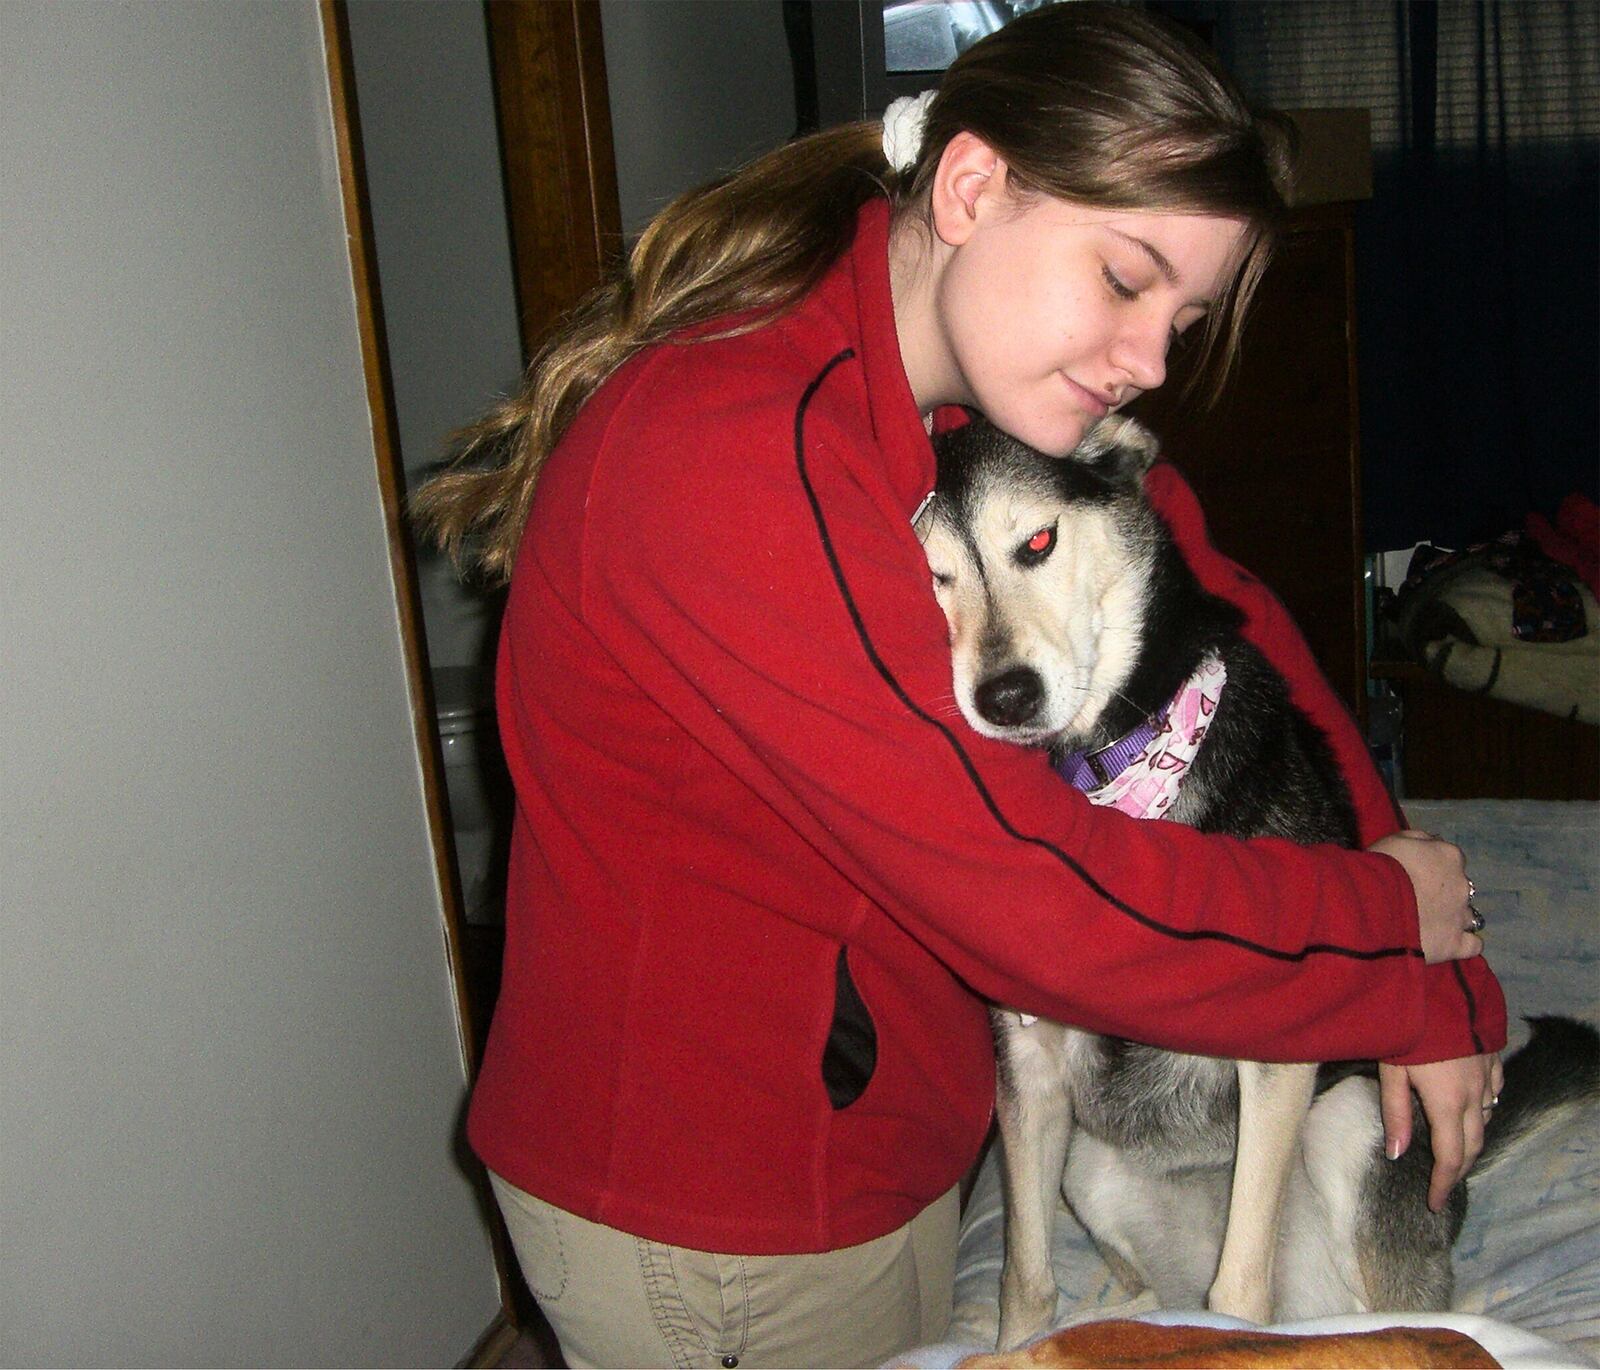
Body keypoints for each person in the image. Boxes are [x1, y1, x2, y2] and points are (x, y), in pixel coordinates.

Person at [414, 6, 1504, 1366]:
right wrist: (1389, 941)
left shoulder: (957, 401)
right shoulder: (734, 458)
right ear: (976, 186)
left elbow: (1242, 620)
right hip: (723, 1216)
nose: (1153, 359)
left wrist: (1418, 926)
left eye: (1186, 315)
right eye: (1124, 278)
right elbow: (1039, 892)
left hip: (886, 1143)